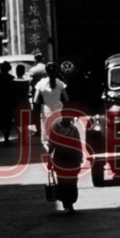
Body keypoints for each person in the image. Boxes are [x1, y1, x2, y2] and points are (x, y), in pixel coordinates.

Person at [31, 63, 78, 212]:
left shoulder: (40, 84)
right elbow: (67, 99)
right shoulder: (60, 83)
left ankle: (66, 202)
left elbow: (36, 101)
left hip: (47, 112)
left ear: (46, 71)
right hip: (59, 111)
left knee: (51, 138)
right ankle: (71, 202)